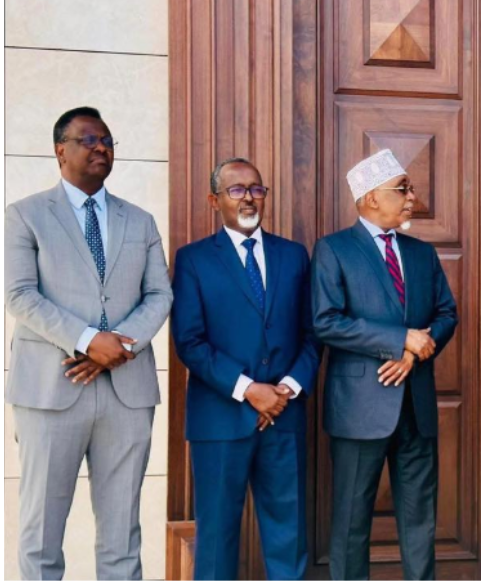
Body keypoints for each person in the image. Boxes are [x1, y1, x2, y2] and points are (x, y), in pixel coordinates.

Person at [4, 106, 173, 580]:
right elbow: (19, 294)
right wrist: (86, 341)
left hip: (127, 393)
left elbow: (160, 294)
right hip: (50, 390)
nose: (101, 148)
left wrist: (117, 348)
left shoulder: (139, 221)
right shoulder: (25, 215)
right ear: (60, 150)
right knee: (41, 534)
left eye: (108, 141)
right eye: (89, 140)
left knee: (122, 536)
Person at [170, 158, 320, 579]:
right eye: (236, 190)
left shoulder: (293, 256)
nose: (249, 197)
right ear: (214, 200)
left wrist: (286, 389)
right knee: (216, 541)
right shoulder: (193, 259)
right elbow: (189, 342)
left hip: (284, 417)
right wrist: (249, 390)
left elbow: (312, 333)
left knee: (289, 538)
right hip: (220, 419)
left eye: (256, 188)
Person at [312, 149, 458, 580]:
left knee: (420, 521)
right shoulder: (333, 249)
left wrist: (412, 351)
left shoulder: (421, 253)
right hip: (359, 409)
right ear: (371, 197)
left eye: (410, 189)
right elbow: (326, 322)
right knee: (351, 521)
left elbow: (447, 314)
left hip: (416, 405)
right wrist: (398, 339)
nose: (412, 197)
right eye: (402, 189)